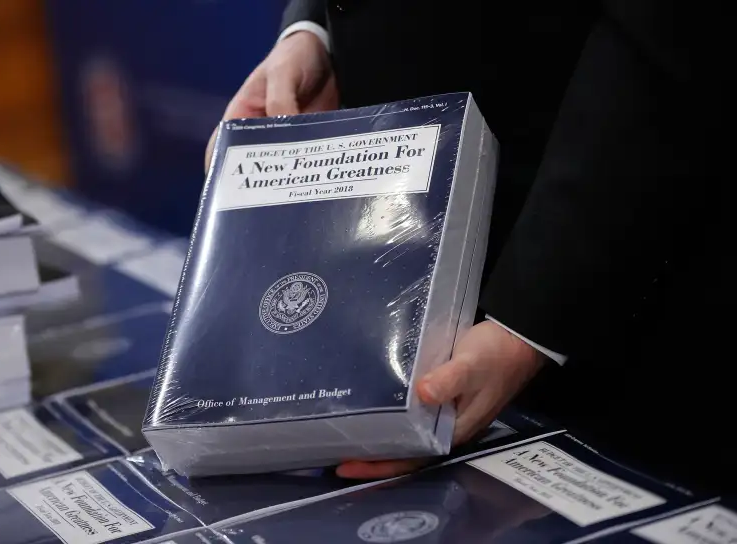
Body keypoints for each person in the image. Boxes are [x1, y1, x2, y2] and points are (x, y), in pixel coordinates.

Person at [206, 1, 729, 491]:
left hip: (602, 280)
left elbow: (672, 33)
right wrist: (311, 31)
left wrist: (530, 325)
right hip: (390, 248)